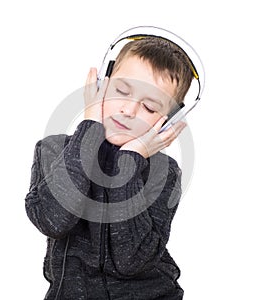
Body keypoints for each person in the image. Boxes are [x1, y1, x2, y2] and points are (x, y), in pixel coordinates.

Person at [25, 34, 195, 300]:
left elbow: (131, 260)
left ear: (168, 121)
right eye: (122, 91)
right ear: (101, 85)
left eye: (149, 107)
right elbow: (53, 220)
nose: (128, 110)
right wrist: (90, 127)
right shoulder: (53, 150)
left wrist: (131, 158)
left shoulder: (165, 172)